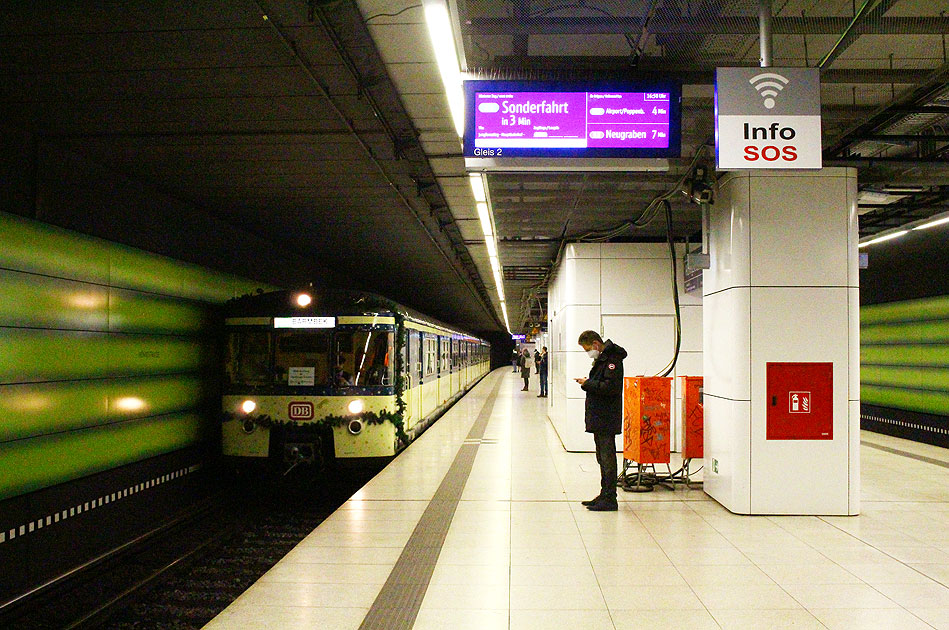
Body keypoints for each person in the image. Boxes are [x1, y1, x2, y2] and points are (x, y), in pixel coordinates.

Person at [574, 330, 626, 512]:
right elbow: (603, 383)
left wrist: (587, 384)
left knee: (607, 458)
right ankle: (604, 494)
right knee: (601, 458)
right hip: (601, 416)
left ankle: (610, 498)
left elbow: (610, 388)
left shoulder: (612, 361)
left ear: (596, 344)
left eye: (588, 349)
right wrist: (589, 382)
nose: (588, 352)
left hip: (606, 417)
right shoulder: (604, 359)